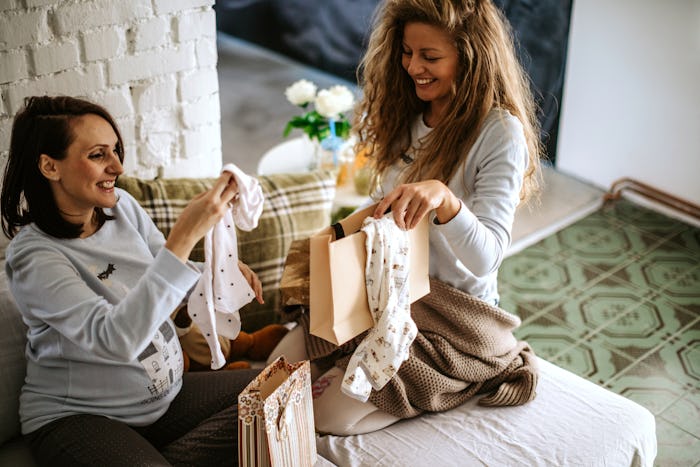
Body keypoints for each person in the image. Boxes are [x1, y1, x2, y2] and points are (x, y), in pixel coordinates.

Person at [269, 0, 542, 435]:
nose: (414, 67)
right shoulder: (408, 112)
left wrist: (446, 202)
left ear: (470, 58)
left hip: (452, 318)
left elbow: (486, 258)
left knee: (325, 416)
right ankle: (352, 360)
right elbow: (389, 208)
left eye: (431, 57)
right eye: (407, 52)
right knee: (274, 371)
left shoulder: (499, 133)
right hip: (391, 294)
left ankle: (460, 380)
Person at [1, 95, 262, 466]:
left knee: (277, 391)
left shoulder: (120, 206)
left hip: (164, 401)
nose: (117, 166)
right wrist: (184, 237)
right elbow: (115, 339)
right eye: (98, 155)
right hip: (80, 418)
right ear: (49, 166)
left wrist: (218, 273)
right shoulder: (34, 257)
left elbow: (163, 270)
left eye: (116, 151)